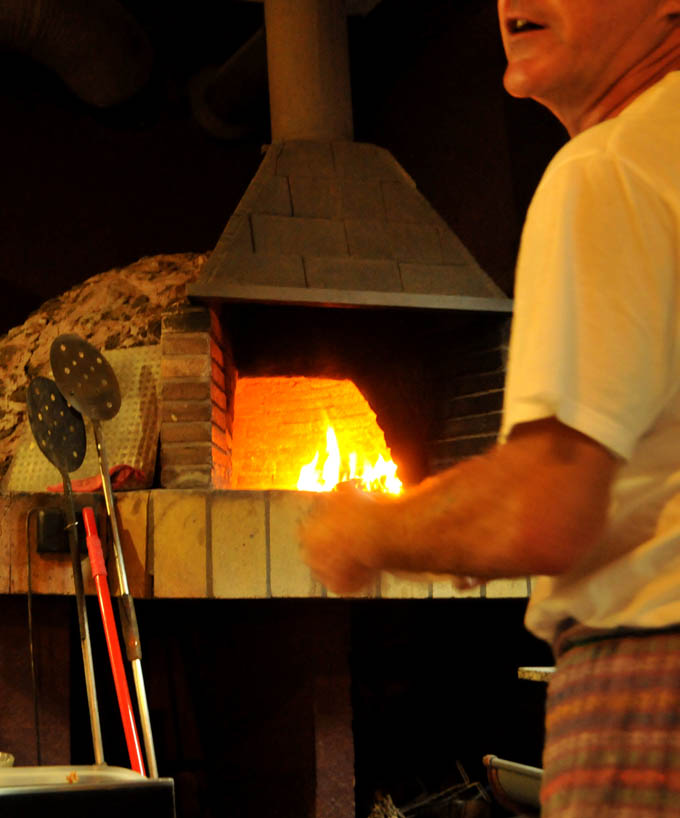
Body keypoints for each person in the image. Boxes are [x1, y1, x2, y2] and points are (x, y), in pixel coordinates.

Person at [299, 1, 680, 815]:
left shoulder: (608, 168)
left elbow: (544, 507)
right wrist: (458, 513)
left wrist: (362, 530)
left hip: (653, 692)